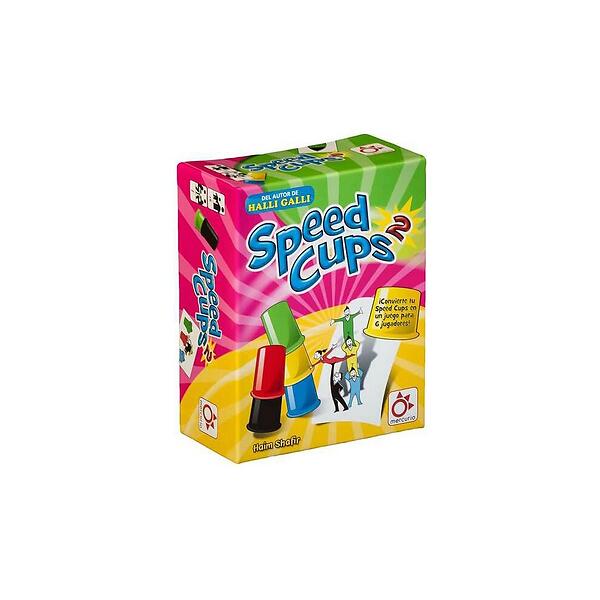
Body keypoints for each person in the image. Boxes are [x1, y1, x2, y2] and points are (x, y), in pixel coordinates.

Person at [313, 344, 352, 412]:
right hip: (332, 364)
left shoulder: (324, 356)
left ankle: (350, 355)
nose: (315, 356)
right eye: (315, 355)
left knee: (343, 359)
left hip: (333, 360)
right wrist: (313, 365)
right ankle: (337, 408)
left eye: (316, 355)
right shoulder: (321, 360)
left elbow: (328, 352)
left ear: (320, 354)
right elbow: (318, 362)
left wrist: (332, 348)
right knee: (334, 390)